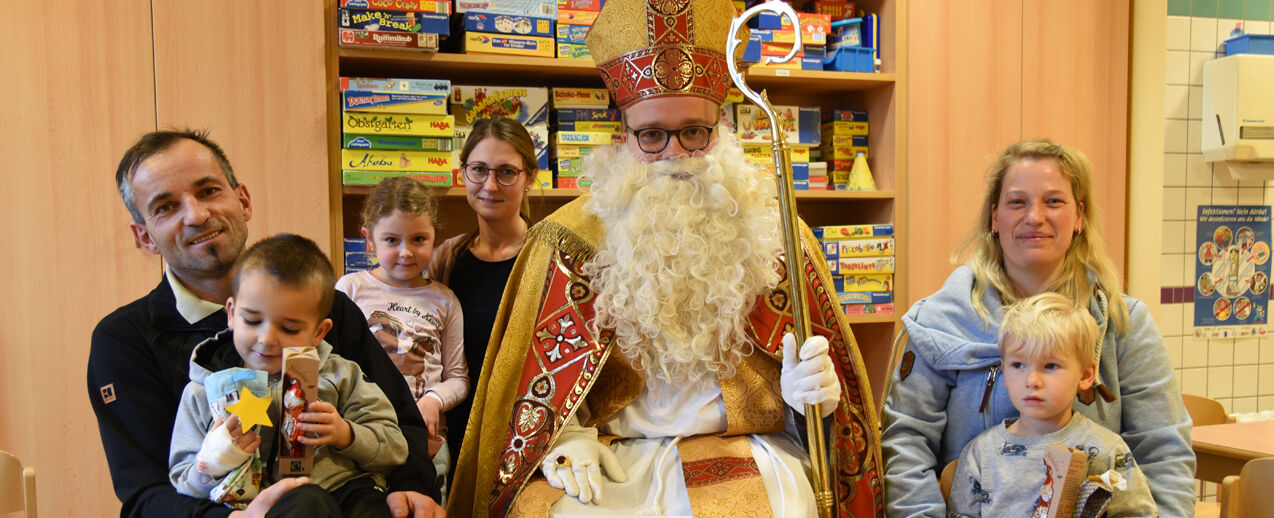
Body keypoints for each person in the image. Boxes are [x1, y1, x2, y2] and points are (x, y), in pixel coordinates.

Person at [447, 0, 883, 516]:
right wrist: (568, 436)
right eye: (652, 135)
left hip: (744, 444)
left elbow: (834, 418)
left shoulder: (777, 236)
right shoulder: (566, 242)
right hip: (610, 456)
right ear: (625, 134)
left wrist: (807, 402)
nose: (675, 153)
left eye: (693, 132)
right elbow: (534, 393)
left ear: (720, 129)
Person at [88, 129, 445, 518]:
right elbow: (146, 495)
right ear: (145, 236)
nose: (196, 215)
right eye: (166, 207)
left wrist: (411, 487)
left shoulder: (330, 307)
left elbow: (398, 418)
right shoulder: (124, 340)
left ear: (243, 200)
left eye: (208, 191)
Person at [880, 139, 1194, 518]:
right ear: (994, 217)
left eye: (1053, 201)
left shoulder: (1122, 323)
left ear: (1079, 216)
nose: (1035, 216)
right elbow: (906, 447)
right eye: (1017, 202)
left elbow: (1164, 452)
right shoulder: (939, 323)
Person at [170, 234, 408, 516]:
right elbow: (182, 484)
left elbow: (396, 449)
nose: (267, 339)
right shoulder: (204, 390)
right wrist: (213, 460)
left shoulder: (342, 376)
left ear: (319, 332)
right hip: (262, 508)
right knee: (305, 502)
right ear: (231, 313)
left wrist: (345, 434)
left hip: (345, 493)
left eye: (290, 328)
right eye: (253, 320)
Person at [947, 292, 1156, 517]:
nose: (1032, 381)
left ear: (1086, 375)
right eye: (1018, 365)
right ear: (1004, 372)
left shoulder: (1108, 450)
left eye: (1050, 366)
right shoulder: (980, 454)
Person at [337, 177, 467, 495]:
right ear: (369, 240)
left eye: (419, 239)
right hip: (363, 436)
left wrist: (434, 401)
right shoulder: (348, 291)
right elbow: (333, 367)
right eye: (392, 240)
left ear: (435, 237)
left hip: (427, 441)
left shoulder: (445, 300)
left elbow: (458, 378)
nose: (406, 252)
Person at [426, 116, 535, 464]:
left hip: (523, 432)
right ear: (462, 175)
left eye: (506, 172)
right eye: (479, 169)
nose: (490, 185)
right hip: (453, 429)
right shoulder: (446, 257)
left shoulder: (547, 257)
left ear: (529, 178)